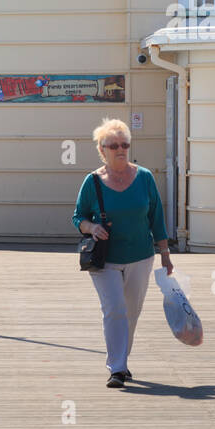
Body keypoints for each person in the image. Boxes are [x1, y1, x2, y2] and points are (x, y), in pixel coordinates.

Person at [73, 118, 173, 388]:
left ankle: (122, 358)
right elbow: (78, 217)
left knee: (132, 311)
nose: (120, 149)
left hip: (140, 255)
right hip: (105, 260)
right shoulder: (92, 181)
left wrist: (164, 252)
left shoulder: (144, 178)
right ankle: (117, 367)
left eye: (125, 144)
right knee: (114, 308)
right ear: (101, 149)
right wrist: (92, 226)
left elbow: (156, 217)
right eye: (113, 145)